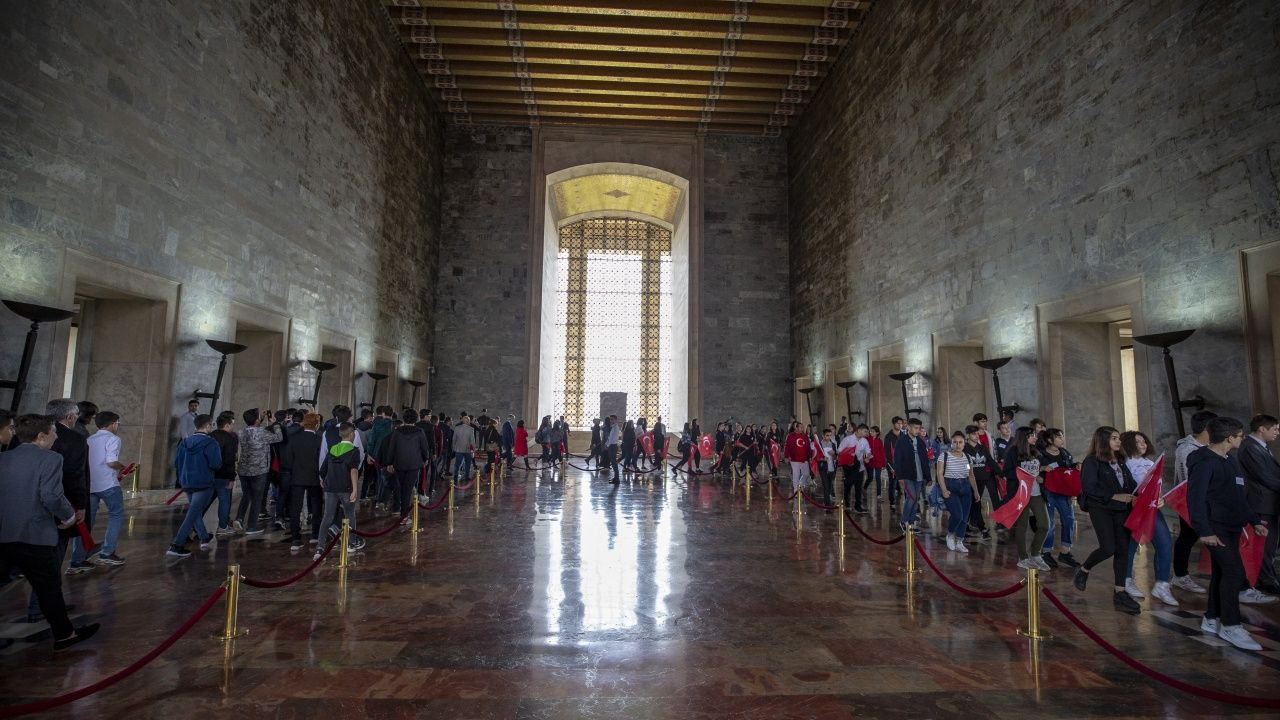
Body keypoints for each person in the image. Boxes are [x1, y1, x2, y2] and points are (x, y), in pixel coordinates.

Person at [0, 414, 100, 650]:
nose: (57, 436)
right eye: (54, 432)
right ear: (42, 436)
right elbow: (52, 496)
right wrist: (69, 516)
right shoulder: (51, 459)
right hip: (35, 533)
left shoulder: (4, 458)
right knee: (48, 588)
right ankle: (65, 635)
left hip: (6, 532)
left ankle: (65, 632)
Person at [1189, 416, 1269, 650]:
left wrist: (1253, 520)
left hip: (1232, 525)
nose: (1242, 438)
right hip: (1216, 527)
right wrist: (1204, 530)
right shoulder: (1203, 462)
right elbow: (1196, 498)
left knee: (1222, 574)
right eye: (1240, 435)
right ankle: (1231, 625)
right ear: (1228, 438)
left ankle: (1211, 618)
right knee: (1234, 573)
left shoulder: (1229, 460)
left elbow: (1238, 496)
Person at [27, 399, 90, 617]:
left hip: (27, 506)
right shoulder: (74, 439)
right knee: (53, 557)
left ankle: (40, 605)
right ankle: (42, 607)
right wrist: (80, 505)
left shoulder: (24, 437)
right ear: (70, 416)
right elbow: (76, 475)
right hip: (60, 505)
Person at [1073, 426, 1141, 614]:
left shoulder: (1119, 460)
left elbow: (1130, 484)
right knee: (1108, 547)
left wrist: (1137, 494)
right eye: (1114, 438)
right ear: (1103, 441)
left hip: (1122, 510)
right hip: (1101, 508)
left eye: (1118, 438)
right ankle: (1084, 569)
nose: (1118, 441)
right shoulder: (1092, 462)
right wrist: (1115, 496)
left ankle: (1120, 592)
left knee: (1123, 549)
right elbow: (1089, 488)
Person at [1121, 430, 1176, 606]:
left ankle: (1162, 584)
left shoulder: (1150, 463)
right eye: (1138, 441)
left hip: (1152, 510)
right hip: (1132, 510)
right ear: (1129, 444)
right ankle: (1126, 580)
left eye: (1144, 440)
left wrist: (1162, 499)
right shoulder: (1125, 464)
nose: (1143, 444)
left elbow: (1156, 488)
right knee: (1129, 546)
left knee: (1165, 544)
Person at [69, 411, 128, 570]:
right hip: (108, 484)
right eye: (118, 423)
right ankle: (107, 553)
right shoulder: (113, 439)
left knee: (87, 521)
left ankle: (77, 560)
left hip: (90, 485)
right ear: (114, 423)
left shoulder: (89, 439)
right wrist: (122, 467)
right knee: (116, 515)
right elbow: (111, 462)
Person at [1171, 410, 1216, 595]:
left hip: (1209, 501)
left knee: (1190, 537)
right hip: (1191, 502)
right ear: (1207, 428)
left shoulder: (1208, 446)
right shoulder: (1186, 449)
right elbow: (1188, 479)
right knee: (1187, 537)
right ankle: (1180, 575)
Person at [1236, 414, 1280, 597]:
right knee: (1265, 545)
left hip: (1270, 503)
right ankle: (1265, 581)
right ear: (1262, 429)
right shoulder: (1250, 448)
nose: (1278, 432)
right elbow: (1264, 476)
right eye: (1275, 428)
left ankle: (1269, 577)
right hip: (1261, 504)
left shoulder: (1261, 446)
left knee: (1271, 545)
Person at [166, 414, 222, 558]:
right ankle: (176, 545)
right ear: (208, 425)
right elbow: (216, 464)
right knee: (192, 514)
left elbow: (176, 463)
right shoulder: (211, 443)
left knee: (194, 511)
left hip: (186, 481)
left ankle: (204, 536)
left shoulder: (185, 442)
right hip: (203, 482)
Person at [1003, 426, 1050, 571]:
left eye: (1035, 435)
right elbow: (1007, 472)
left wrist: (1041, 476)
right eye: (1032, 435)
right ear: (1024, 437)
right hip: (1021, 493)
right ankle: (1023, 558)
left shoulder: (1036, 452)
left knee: (1044, 525)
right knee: (1022, 526)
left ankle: (1035, 554)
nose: (1035, 437)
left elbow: (1040, 470)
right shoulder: (1012, 452)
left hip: (1036, 493)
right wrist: (1023, 475)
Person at [315, 422, 361, 560]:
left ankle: (320, 547)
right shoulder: (354, 450)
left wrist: (323, 479)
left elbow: (323, 470)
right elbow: (353, 471)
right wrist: (355, 489)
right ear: (352, 434)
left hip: (330, 487)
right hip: (346, 487)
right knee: (349, 514)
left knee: (327, 516)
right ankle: (351, 542)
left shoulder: (333, 448)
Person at [234, 408, 282, 536]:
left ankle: (239, 518)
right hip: (259, 469)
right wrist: (274, 423)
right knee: (257, 498)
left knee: (246, 495)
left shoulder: (241, 432)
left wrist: (260, 419)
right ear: (256, 420)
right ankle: (251, 526)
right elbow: (278, 437)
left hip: (243, 469)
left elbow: (253, 427)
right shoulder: (262, 432)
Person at [1038, 428, 1078, 569]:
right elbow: (1033, 471)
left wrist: (1076, 466)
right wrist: (1042, 469)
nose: (1062, 439)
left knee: (1069, 520)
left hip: (1063, 492)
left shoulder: (1065, 453)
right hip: (1047, 492)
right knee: (1050, 524)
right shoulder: (1040, 455)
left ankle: (1065, 552)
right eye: (1059, 437)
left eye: (1062, 437)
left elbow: (1068, 469)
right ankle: (1046, 552)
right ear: (1050, 440)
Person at [283, 413, 324, 552]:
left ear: (303, 423)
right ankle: (315, 534)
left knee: (295, 508)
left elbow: (287, 460)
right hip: (314, 477)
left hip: (297, 477)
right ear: (317, 424)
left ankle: (295, 538)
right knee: (316, 505)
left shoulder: (294, 439)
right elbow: (322, 460)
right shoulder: (319, 439)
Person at [937, 431, 977, 553]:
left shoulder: (968, 457)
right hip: (951, 486)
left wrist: (975, 491)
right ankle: (950, 534)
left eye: (960, 442)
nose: (958, 445)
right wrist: (943, 489)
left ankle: (960, 540)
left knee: (964, 517)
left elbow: (971, 475)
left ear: (964, 443)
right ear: (951, 443)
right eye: (955, 442)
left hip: (965, 487)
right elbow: (939, 473)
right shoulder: (944, 456)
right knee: (957, 515)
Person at [893, 418, 932, 533]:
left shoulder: (920, 442)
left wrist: (928, 477)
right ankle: (903, 521)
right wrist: (899, 476)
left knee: (916, 500)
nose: (918, 430)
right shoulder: (901, 441)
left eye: (919, 428)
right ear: (909, 428)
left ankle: (911, 523)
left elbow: (925, 460)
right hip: (907, 475)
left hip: (919, 476)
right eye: (915, 428)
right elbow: (897, 459)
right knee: (912, 497)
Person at [963, 424, 999, 541]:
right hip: (970, 480)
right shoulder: (964, 449)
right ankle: (982, 528)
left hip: (983, 478)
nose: (976, 436)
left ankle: (967, 525)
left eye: (977, 433)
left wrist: (1001, 473)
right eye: (974, 434)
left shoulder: (982, 448)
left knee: (975, 503)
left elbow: (990, 461)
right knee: (975, 503)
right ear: (968, 435)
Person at [209, 412, 239, 537]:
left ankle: (195, 524)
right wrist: (232, 478)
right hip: (224, 475)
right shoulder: (230, 438)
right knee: (224, 501)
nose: (233, 426)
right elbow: (229, 460)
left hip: (209, 475)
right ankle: (222, 527)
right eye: (232, 424)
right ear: (227, 425)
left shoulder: (210, 436)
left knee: (206, 501)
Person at [785, 421, 812, 493]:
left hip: (804, 459)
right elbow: (787, 446)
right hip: (794, 459)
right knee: (796, 474)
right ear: (796, 428)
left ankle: (801, 484)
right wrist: (786, 456)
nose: (802, 428)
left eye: (803, 427)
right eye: (801, 427)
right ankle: (796, 490)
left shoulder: (805, 436)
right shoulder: (791, 436)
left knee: (806, 474)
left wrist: (810, 456)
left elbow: (808, 447)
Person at [452, 414, 477, 481]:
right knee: (467, 464)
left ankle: (455, 477)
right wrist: (474, 448)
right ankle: (466, 477)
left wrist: (454, 447)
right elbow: (472, 440)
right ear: (468, 421)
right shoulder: (471, 429)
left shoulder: (457, 428)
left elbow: (454, 439)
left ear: (463, 421)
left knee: (457, 464)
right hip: (467, 449)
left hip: (458, 449)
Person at [866, 426, 886, 501]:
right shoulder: (867, 440)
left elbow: (882, 452)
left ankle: (879, 494)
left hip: (878, 462)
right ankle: (864, 488)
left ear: (877, 433)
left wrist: (883, 463)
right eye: (870, 431)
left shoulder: (879, 441)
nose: (871, 432)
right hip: (870, 461)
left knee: (878, 478)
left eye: (873, 431)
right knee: (870, 477)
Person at [604, 415, 621, 482]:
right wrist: (607, 444)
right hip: (612, 445)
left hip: (613, 446)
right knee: (613, 463)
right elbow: (610, 437)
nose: (611, 421)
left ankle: (617, 478)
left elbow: (612, 439)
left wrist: (607, 445)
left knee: (614, 463)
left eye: (612, 419)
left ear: (616, 420)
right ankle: (616, 478)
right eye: (610, 419)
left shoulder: (615, 427)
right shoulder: (613, 427)